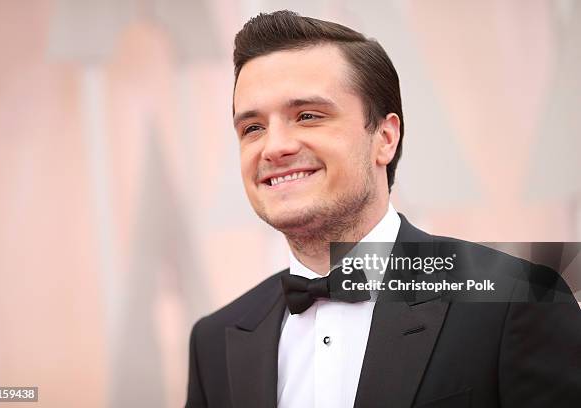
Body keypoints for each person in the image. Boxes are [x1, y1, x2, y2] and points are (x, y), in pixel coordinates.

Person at [185, 10, 581, 408]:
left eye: (307, 116)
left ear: (385, 138)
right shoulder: (213, 341)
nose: (274, 147)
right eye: (253, 128)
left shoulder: (519, 298)